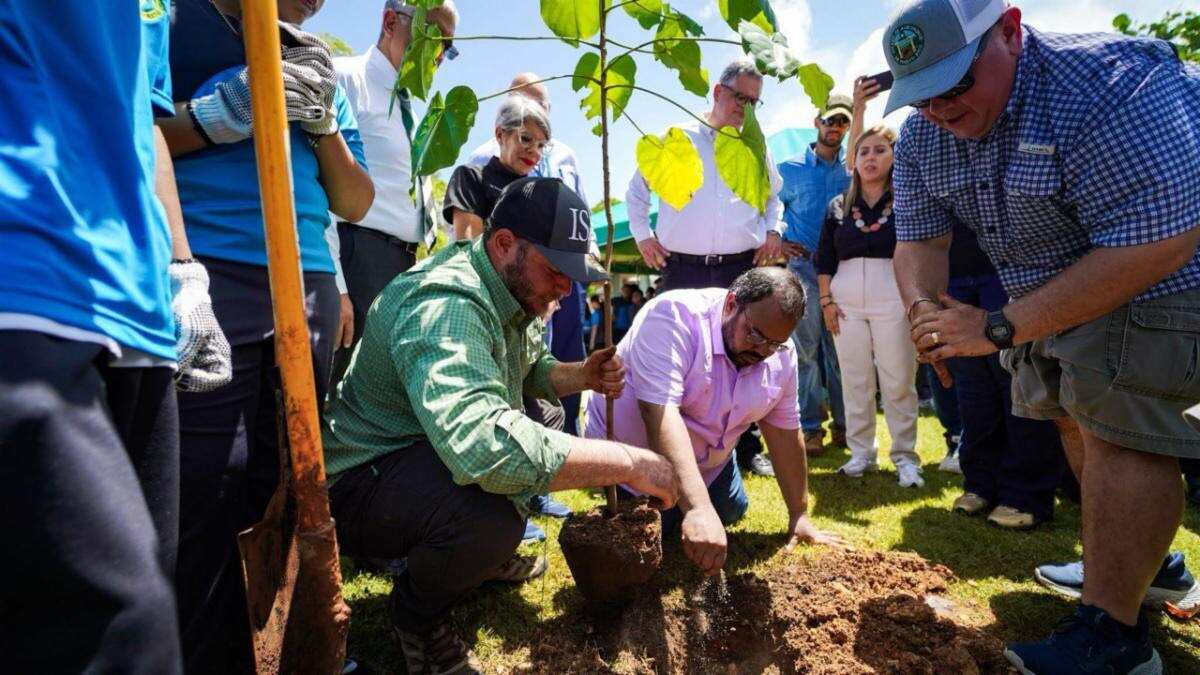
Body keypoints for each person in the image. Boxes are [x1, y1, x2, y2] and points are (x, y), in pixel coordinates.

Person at [883, 0, 1200, 671]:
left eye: (954, 84)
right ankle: (1146, 566)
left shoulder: (1111, 85)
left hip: (1156, 275)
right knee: (1073, 419)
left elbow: (1161, 240)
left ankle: (1115, 643)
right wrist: (924, 313)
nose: (939, 109)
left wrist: (998, 325)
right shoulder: (920, 137)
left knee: (1121, 432)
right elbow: (919, 240)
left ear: (1010, 30)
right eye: (922, 96)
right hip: (1044, 289)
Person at [322, 177, 679, 674]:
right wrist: (629, 463)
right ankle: (418, 619)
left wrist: (582, 375)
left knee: (521, 465)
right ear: (505, 243)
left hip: (420, 455)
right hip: (362, 480)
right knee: (491, 518)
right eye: (556, 270)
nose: (566, 288)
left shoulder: (507, 287)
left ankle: (469, 560)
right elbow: (484, 447)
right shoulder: (446, 303)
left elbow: (527, 369)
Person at [0, 1, 232, 670]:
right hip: (27, 281)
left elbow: (145, 122)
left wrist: (184, 271)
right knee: (125, 632)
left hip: (138, 308)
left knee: (154, 579)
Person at [160, 0, 375, 670]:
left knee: (286, 477)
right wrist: (217, 116)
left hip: (305, 283)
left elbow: (356, 199)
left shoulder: (310, 59)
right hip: (210, 270)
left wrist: (322, 123)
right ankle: (203, 649)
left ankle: (280, 644)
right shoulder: (173, 22)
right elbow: (136, 134)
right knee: (206, 486)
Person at [586, 268, 844, 574]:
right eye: (755, 335)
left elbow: (785, 432)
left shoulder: (781, 353)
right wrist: (698, 508)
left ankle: (704, 496)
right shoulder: (671, 317)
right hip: (637, 459)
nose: (762, 352)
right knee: (656, 530)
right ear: (732, 304)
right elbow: (660, 417)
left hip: (711, 461)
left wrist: (798, 514)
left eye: (774, 343)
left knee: (731, 511)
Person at [446, 95, 568, 539]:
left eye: (541, 144)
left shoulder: (541, 191)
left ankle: (533, 492)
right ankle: (505, 507)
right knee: (495, 401)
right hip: (484, 307)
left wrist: (548, 295)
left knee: (533, 397)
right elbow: (466, 242)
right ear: (500, 134)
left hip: (530, 312)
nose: (533, 150)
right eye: (525, 139)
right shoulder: (472, 177)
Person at [329, 0, 459, 387]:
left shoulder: (411, 109)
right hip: (358, 259)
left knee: (381, 394)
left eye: (449, 47)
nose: (440, 55)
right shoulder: (345, 78)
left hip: (402, 265)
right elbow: (319, 189)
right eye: (434, 36)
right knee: (342, 389)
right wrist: (335, 285)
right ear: (390, 21)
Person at [467, 72, 593, 441]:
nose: (533, 149)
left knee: (567, 351)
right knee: (525, 357)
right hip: (519, 279)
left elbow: (581, 212)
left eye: (543, 104)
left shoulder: (565, 155)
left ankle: (568, 432)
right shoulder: (481, 163)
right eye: (526, 100)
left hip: (567, 270)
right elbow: (471, 236)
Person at [938, 220, 1067, 530]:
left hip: (1010, 273)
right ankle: (980, 484)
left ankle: (1026, 493)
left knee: (1019, 381)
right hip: (955, 274)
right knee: (973, 389)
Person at [815, 124, 923, 489]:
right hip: (845, 299)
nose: (871, 158)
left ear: (894, 156)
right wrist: (826, 301)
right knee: (855, 378)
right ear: (855, 160)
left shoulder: (906, 201)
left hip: (893, 293)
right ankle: (862, 452)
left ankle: (905, 457)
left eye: (879, 150)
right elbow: (824, 258)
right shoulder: (838, 205)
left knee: (898, 378)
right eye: (864, 152)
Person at [626, 58, 784, 291]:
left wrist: (773, 230)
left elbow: (772, 197)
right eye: (741, 98)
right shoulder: (675, 139)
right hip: (681, 272)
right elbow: (636, 192)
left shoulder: (758, 146)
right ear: (718, 92)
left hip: (741, 270)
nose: (746, 108)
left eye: (753, 102)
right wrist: (643, 237)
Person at [777, 94, 853, 455]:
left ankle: (845, 426)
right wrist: (779, 241)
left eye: (842, 121)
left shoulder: (852, 169)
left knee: (842, 352)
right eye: (829, 120)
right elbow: (769, 209)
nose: (835, 127)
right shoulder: (788, 169)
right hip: (803, 269)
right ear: (816, 122)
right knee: (805, 352)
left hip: (844, 271)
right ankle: (811, 429)